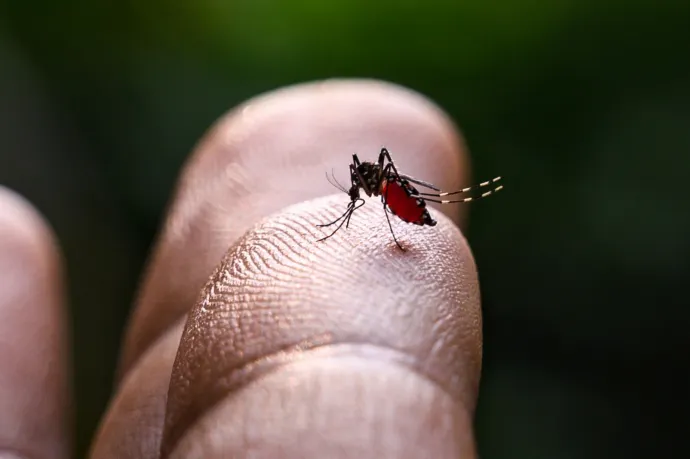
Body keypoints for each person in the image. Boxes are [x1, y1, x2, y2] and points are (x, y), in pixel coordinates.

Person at [0, 80, 484, 458]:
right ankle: (432, 201)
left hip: (405, 204)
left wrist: (391, 204)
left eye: (360, 185)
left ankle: (439, 200)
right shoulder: (367, 180)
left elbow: (378, 180)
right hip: (398, 205)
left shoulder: (378, 182)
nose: (357, 185)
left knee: (388, 173)